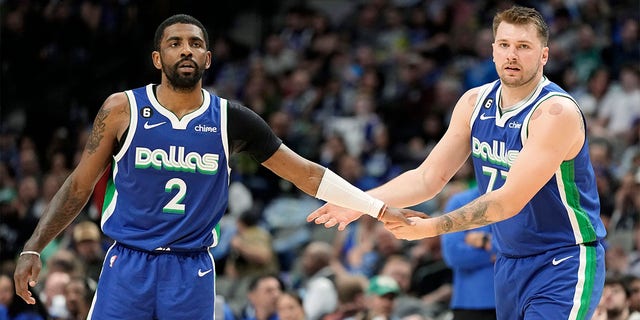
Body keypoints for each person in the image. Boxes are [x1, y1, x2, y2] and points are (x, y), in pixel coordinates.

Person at [13, 14, 408, 320]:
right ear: (157, 57)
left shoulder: (232, 119)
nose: (186, 50)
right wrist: (34, 246)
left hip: (191, 269)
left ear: (207, 58)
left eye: (195, 44)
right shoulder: (122, 109)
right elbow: (79, 186)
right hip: (128, 261)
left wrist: (374, 206)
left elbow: (304, 172)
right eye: (175, 43)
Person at [308, 6, 606, 319]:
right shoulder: (474, 103)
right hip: (508, 260)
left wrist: (431, 227)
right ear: (492, 51)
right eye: (504, 45)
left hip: (563, 258)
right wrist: (361, 202)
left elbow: (508, 202)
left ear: (544, 55)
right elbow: (427, 177)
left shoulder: (555, 113)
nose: (512, 55)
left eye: (523, 47)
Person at [440, 187, 496, 320]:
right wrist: (499, 253)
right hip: (469, 304)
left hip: (513, 300)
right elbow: (454, 254)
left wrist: (484, 241)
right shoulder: (460, 202)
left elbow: (527, 246)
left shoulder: (520, 198)